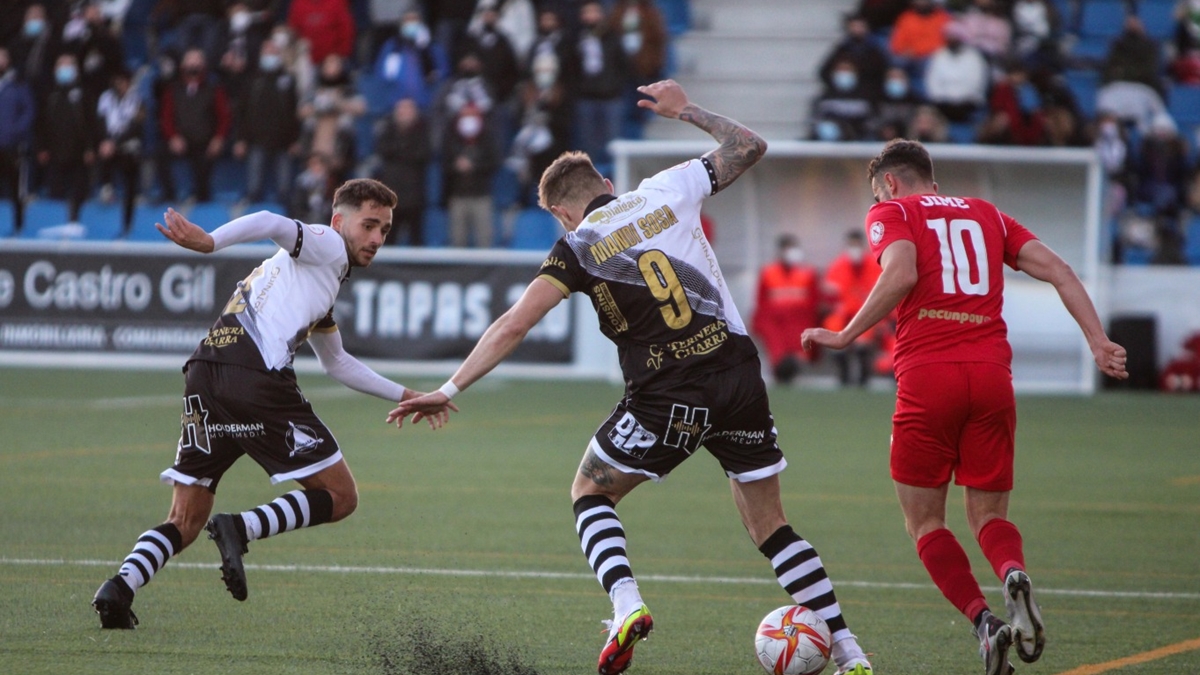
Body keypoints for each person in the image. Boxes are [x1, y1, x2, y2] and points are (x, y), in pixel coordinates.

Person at [388, 79, 874, 675]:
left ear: (563, 214)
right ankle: (851, 654)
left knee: (590, 492)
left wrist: (449, 387)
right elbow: (749, 145)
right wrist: (686, 110)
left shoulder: (579, 246)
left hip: (667, 395)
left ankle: (626, 605)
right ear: (609, 187)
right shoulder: (668, 187)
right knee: (770, 524)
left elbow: (515, 323)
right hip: (739, 376)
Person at [802, 139, 1129, 675]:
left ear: (889, 182)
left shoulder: (891, 210)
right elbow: (1061, 269)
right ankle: (1011, 573)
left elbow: (902, 272)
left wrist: (844, 335)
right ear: (932, 179)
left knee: (925, 521)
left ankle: (984, 623)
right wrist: (1097, 341)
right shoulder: (988, 215)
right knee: (989, 515)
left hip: (929, 377)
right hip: (992, 376)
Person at [91, 178, 451, 629]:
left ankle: (119, 588)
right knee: (340, 497)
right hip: (255, 377)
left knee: (185, 517)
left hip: (205, 372)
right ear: (340, 221)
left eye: (385, 230)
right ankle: (241, 528)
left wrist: (411, 396)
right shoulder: (327, 245)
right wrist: (209, 242)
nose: (377, 239)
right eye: (370, 225)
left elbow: (337, 362)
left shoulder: (313, 278)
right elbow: (269, 221)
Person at [751, 234, 821, 384]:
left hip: (800, 322)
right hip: (775, 323)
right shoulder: (768, 273)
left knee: (798, 354)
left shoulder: (807, 273)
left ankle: (793, 369)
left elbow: (815, 303)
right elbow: (761, 303)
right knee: (779, 356)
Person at [821, 230, 882, 387]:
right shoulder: (838, 266)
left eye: (857, 245)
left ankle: (864, 377)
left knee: (864, 343)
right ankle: (844, 375)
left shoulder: (874, 264)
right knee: (833, 330)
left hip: (867, 314)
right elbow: (830, 293)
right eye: (851, 245)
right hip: (843, 314)